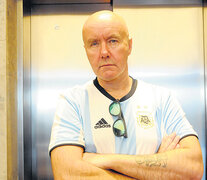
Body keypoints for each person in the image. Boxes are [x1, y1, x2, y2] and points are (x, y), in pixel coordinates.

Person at [49, 10, 204, 179]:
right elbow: (67, 174)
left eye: (113, 41)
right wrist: (155, 170)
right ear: (85, 49)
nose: (104, 52)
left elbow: (193, 167)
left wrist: (106, 160)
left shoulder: (162, 99)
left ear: (129, 45)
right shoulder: (72, 101)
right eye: (94, 43)